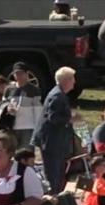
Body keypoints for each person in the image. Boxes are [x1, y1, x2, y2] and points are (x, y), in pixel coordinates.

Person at [32, 67, 75, 195]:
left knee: (59, 174)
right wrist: (70, 118)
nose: (74, 83)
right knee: (53, 175)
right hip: (51, 142)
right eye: (72, 79)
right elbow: (53, 117)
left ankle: (57, 197)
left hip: (56, 142)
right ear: (66, 80)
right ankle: (53, 201)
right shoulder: (57, 96)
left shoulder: (59, 94)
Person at [0, 62, 42, 148]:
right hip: (12, 126)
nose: (19, 76)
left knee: (26, 153)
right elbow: (2, 105)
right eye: (16, 73)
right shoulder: (9, 89)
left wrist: (38, 129)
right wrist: (8, 108)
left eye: (21, 73)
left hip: (28, 127)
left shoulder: (34, 90)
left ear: (26, 74)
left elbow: (38, 111)